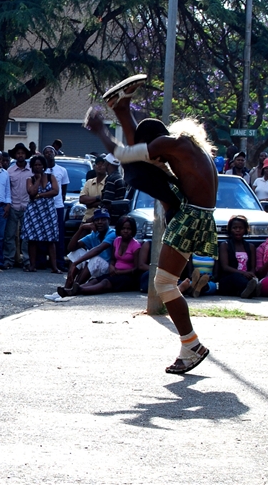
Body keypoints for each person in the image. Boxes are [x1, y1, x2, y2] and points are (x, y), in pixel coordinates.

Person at [85, 78, 217, 374]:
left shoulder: (167, 144)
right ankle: (122, 107)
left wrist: (100, 131)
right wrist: (123, 111)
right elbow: (138, 148)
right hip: (198, 215)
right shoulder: (192, 148)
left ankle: (191, 345)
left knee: (163, 284)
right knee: (167, 282)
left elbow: (126, 153)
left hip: (191, 217)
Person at [73, 216, 143, 296]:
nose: (126, 231)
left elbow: (136, 269)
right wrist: (111, 266)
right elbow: (113, 259)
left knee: (105, 282)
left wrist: (120, 272)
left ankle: (80, 290)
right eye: (123, 228)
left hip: (128, 276)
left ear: (133, 230)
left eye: (129, 229)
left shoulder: (136, 245)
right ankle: (73, 289)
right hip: (115, 272)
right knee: (95, 280)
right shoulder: (117, 241)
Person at [58, 209, 116, 295]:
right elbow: (71, 247)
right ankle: (67, 287)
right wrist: (81, 228)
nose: (100, 222)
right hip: (97, 267)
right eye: (97, 220)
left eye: (103, 220)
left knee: (95, 258)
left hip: (109, 267)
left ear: (109, 221)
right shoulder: (93, 235)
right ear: (93, 223)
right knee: (77, 252)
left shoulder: (112, 233)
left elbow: (98, 249)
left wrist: (76, 263)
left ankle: (76, 288)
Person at [20, 154, 59, 273]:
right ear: (32, 166)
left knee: (50, 240)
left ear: (44, 166)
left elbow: (55, 191)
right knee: (32, 240)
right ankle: (32, 265)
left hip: (48, 211)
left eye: (40, 165)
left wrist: (40, 195)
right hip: (34, 212)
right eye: (35, 165)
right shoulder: (29, 179)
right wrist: (38, 180)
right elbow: (31, 192)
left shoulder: (51, 176)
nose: (38, 167)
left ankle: (54, 267)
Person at [216, 215, 259, 298]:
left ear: (245, 229)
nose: (238, 230)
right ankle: (252, 289)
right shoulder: (225, 245)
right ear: (230, 229)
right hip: (229, 279)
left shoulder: (250, 247)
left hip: (246, 277)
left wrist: (251, 274)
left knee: (251, 280)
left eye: (241, 228)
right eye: (235, 228)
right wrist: (243, 273)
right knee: (236, 277)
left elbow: (253, 267)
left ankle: (246, 290)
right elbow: (225, 267)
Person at [5, 143, 31, 269]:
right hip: (13, 206)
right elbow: (7, 190)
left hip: (27, 207)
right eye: (18, 153)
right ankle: (9, 259)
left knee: (26, 236)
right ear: (15, 156)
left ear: (26, 155)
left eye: (22, 153)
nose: (20, 155)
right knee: (9, 235)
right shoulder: (9, 171)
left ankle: (26, 260)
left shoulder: (32, 170)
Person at [43, 146, 69, 270]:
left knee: (59, 234)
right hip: (43, 206)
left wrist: (60, 201)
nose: (49, 154)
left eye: (51, 152)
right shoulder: (41, 170)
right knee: (43, 233)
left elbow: (64, 189)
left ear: (55, 153)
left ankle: (60, 262)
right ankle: (42, 261)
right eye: (46, 152)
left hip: (57, 206)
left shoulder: (62, 170)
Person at [78, 157, 108, 223]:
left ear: (106, 167)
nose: (99, 166)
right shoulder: (89, 182)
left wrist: (90, 204)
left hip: (101, 220)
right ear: (94, 167)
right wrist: (97, 198)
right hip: (87, 219)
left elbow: (105, 203)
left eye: (102, 164)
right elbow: (82, 199)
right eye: (98, 164)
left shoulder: (109, 181)